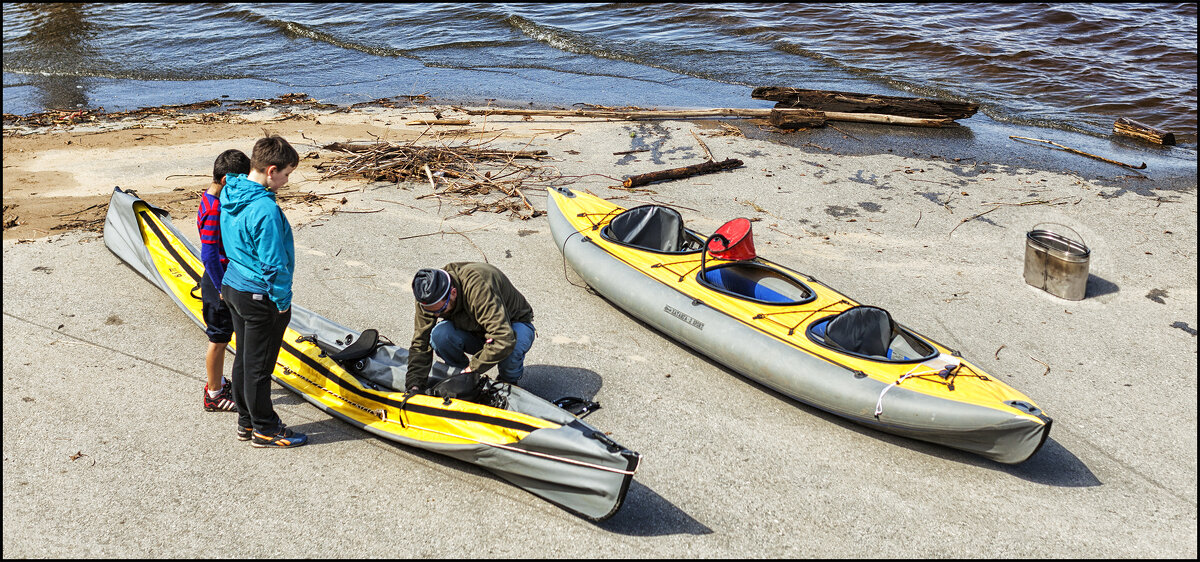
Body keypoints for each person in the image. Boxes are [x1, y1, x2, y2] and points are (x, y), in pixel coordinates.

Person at [219, 135, 307, 448]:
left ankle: (246, 421)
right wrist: (282, 303)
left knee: (244, 359)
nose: (286, 181)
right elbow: (274, 264)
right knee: (260, 367)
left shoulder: (231, 190)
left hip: (233, 285)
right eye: (286, 174)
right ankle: (266, 428)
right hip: (258, 295)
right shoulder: (265, 210)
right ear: (271, 170)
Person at [406, 263, 536, 391]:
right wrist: (414, 384)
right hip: (475, 329)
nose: (436, 315)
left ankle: (508, 383)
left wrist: (473, 369)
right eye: (431, 312)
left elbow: (503, 339)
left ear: (453, 292)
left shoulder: (479, 287)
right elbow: (420, 343)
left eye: (441, 310)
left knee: (512, 347)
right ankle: (459, 376)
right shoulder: (428, 298)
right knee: (439, 335)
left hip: (512, 325)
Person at [196, 148, 251, 412]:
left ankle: (217, 382)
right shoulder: (215, 209)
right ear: (227, 181)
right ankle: (214, 394)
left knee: (222, 335)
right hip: (218, 280)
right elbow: (208, 253)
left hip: (219, 277)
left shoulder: (208, 199)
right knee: (218, 338)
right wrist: (220, 288)